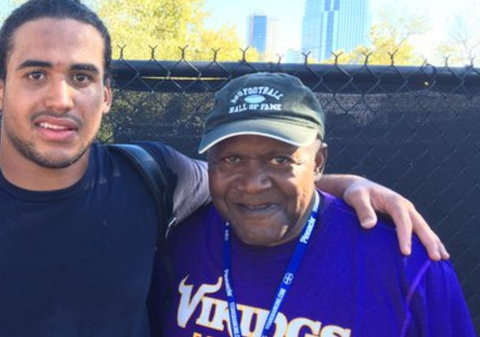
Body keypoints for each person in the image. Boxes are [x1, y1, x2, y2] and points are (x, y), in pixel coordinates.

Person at [0, 0, 448, 336]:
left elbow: (246, 183)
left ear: (105, 96)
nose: (60, 98)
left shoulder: (155, 176)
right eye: (35, 75)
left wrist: (346, 184)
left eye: (81, 77)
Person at [151, 72, 475, 337]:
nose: (252, 183)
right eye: (232, 159)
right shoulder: (179, 240)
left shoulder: (405, 262)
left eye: (280, 160)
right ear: (210, 164)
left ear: (318, 162)